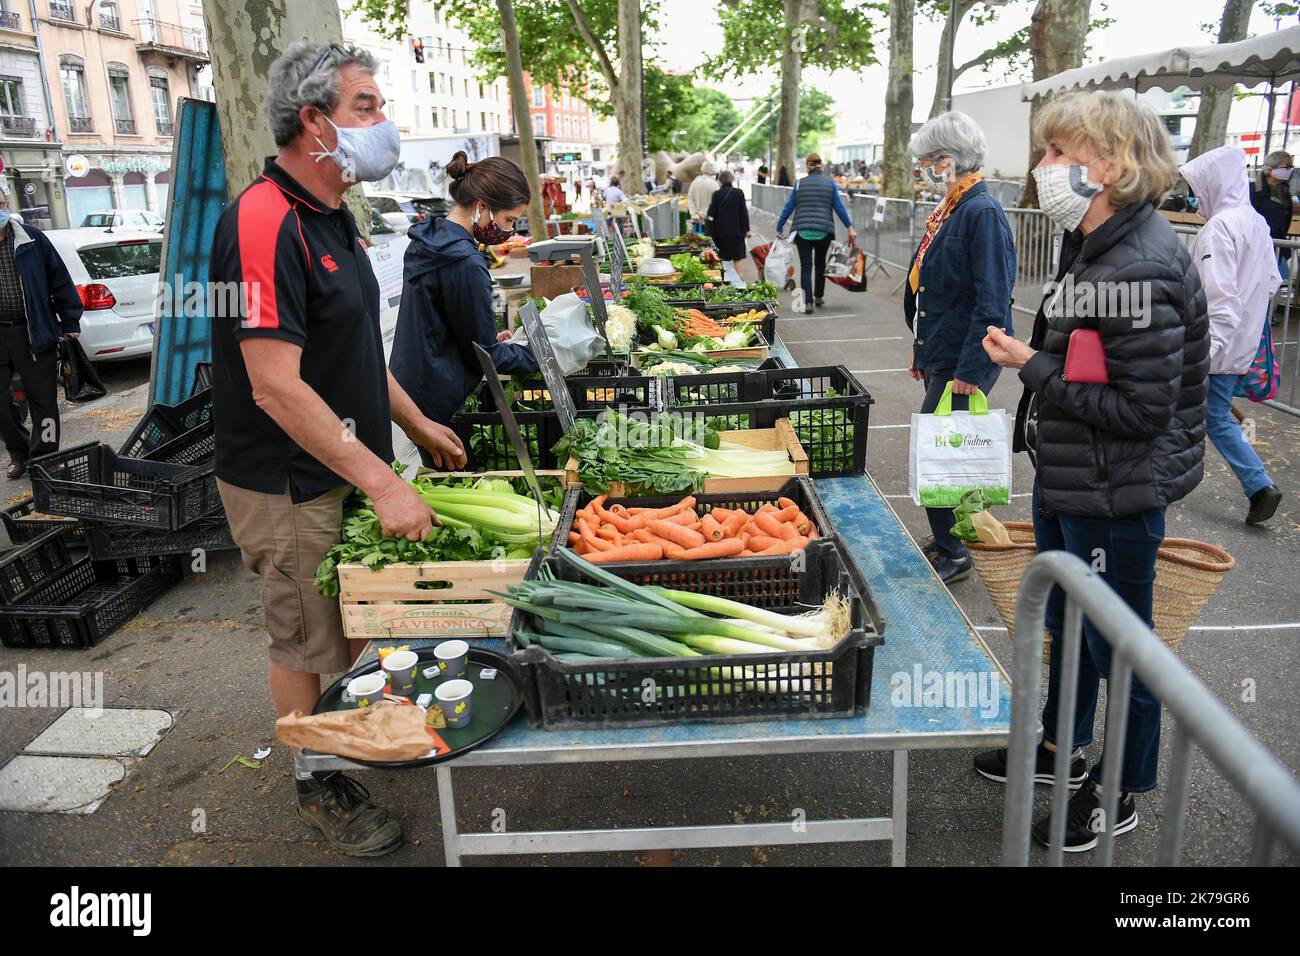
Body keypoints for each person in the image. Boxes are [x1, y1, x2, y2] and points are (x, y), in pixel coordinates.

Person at [209, 41, 468, 859]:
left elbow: (351, 351)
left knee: (356, 617)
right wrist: (387, 486)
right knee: (304, 636)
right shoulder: (262, 220)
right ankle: (316, 780)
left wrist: (417, 425)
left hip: (346, 464)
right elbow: (276, 386)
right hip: (287, 481)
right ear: (314, 120)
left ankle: (357, 733)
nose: (382, 124)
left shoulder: (334, 217)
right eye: (366, 107)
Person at [977, 91, 1210, 853]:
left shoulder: (1139, 262)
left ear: (1107, 166)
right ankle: (1058, 751)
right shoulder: (1098, 241)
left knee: (1123, 646)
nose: (1041, 168)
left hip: (1116, 489)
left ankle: (1122, 787)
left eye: (1055, 154)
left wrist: (1031, 364)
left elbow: (1143, 411)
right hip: (1074, 473)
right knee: (1068, 625)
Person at [903, 112, 1016, 583]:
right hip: (943, 349)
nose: (923, 172)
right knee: (942, 449)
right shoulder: (955, 207)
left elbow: (991, 301)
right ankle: (948, 537)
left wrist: (970, 366)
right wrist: (921, 349)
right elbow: (939, 292)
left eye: (926, 164)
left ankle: (956, 551)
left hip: (964, 356)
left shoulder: (979, 213)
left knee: (939, 454)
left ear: (946, 161)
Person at [390, 152, 539, 458]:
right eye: (508, 219)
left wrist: (484, 337)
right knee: (453, 469)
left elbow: (442, 322)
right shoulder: (463, 261)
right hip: (444, 400)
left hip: (417, 385)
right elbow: (484, 356)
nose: (509, 230)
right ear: (482, 206)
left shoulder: (430, 241)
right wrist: (542, 356)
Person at [1181, 146, 1284, 525]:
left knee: (1211, 415)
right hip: (1239, 340)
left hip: (1214, 346)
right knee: (1203, 412)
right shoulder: (1255, 221)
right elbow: (1272, 281)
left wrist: (1206, 353)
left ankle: (1258, 484)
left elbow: (1217, 298)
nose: (1195, 196)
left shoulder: (1219, 229)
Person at [0, 188, 82, 480]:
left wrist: (70, 320)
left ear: (6, 204)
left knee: (43, 401)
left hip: (33, 332)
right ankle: (19, 453)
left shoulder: (32, 239)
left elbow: (59, 278)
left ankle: (46, 456)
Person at [775, 152, 856, 313]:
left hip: (802, 231)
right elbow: (839, 207)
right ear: (821, 166)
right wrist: (850, 227)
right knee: (820, 264)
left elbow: (789, 206)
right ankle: (819, 296)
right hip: (823, 231)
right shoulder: (830, 184)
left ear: (807, 166)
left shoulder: (799, 184)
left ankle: (808, 302)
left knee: (806, 267)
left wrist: (780, 225)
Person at [1248, 149, 1293, 293]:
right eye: (1286, 167)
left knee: (1275, 285)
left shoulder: (1285, 192)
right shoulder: (1254, 190)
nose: (1289, 170)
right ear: (1269, 169)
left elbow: (1286, 220)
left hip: (1276, 247)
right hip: (1256, 248)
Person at [705, 170, 750, 285]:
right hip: (736, 232)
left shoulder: (717, 194)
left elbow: (711, 213)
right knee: (737, 258)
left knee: (721, 259)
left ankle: (723, 282)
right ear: (732, 179)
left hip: (720, 233)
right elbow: (743, 213)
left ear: (720, 181)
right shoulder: (739, 193)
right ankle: (739, 281)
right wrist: (747, 229)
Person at [687, 161, 719, 233]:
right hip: (709, 220)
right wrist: (703, 214)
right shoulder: (715, 184)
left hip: (696, 220)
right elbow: (715, 202)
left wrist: (694, 213)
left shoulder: (695, 182)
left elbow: (690, 198)